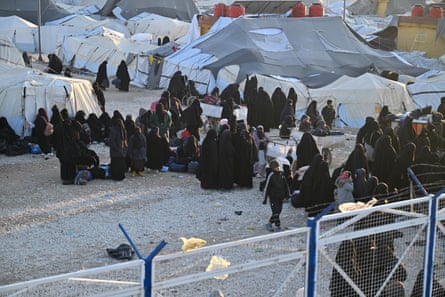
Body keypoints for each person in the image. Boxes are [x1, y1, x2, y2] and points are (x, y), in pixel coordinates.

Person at [262, 159, 290, 232]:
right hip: (273, 198)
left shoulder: (281, 175)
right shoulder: (271, 176)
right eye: (276, 167)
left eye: (278, 167)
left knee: (278, 211)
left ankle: (269, 223)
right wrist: (264, 199)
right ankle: (278, 226)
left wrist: (287, 195)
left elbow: (285, 186)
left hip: (281, 197)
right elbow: (266, 188)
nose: (277, 168)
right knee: (276, 212)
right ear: (272, 168)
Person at [109, 114, 128, 181]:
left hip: (117, 152)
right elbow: (112, 142)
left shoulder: (118, 130)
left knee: (117, 165)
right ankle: (118, 176)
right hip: (118, 151)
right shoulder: (121, 130)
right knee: (119, 164)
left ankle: (117, 176)